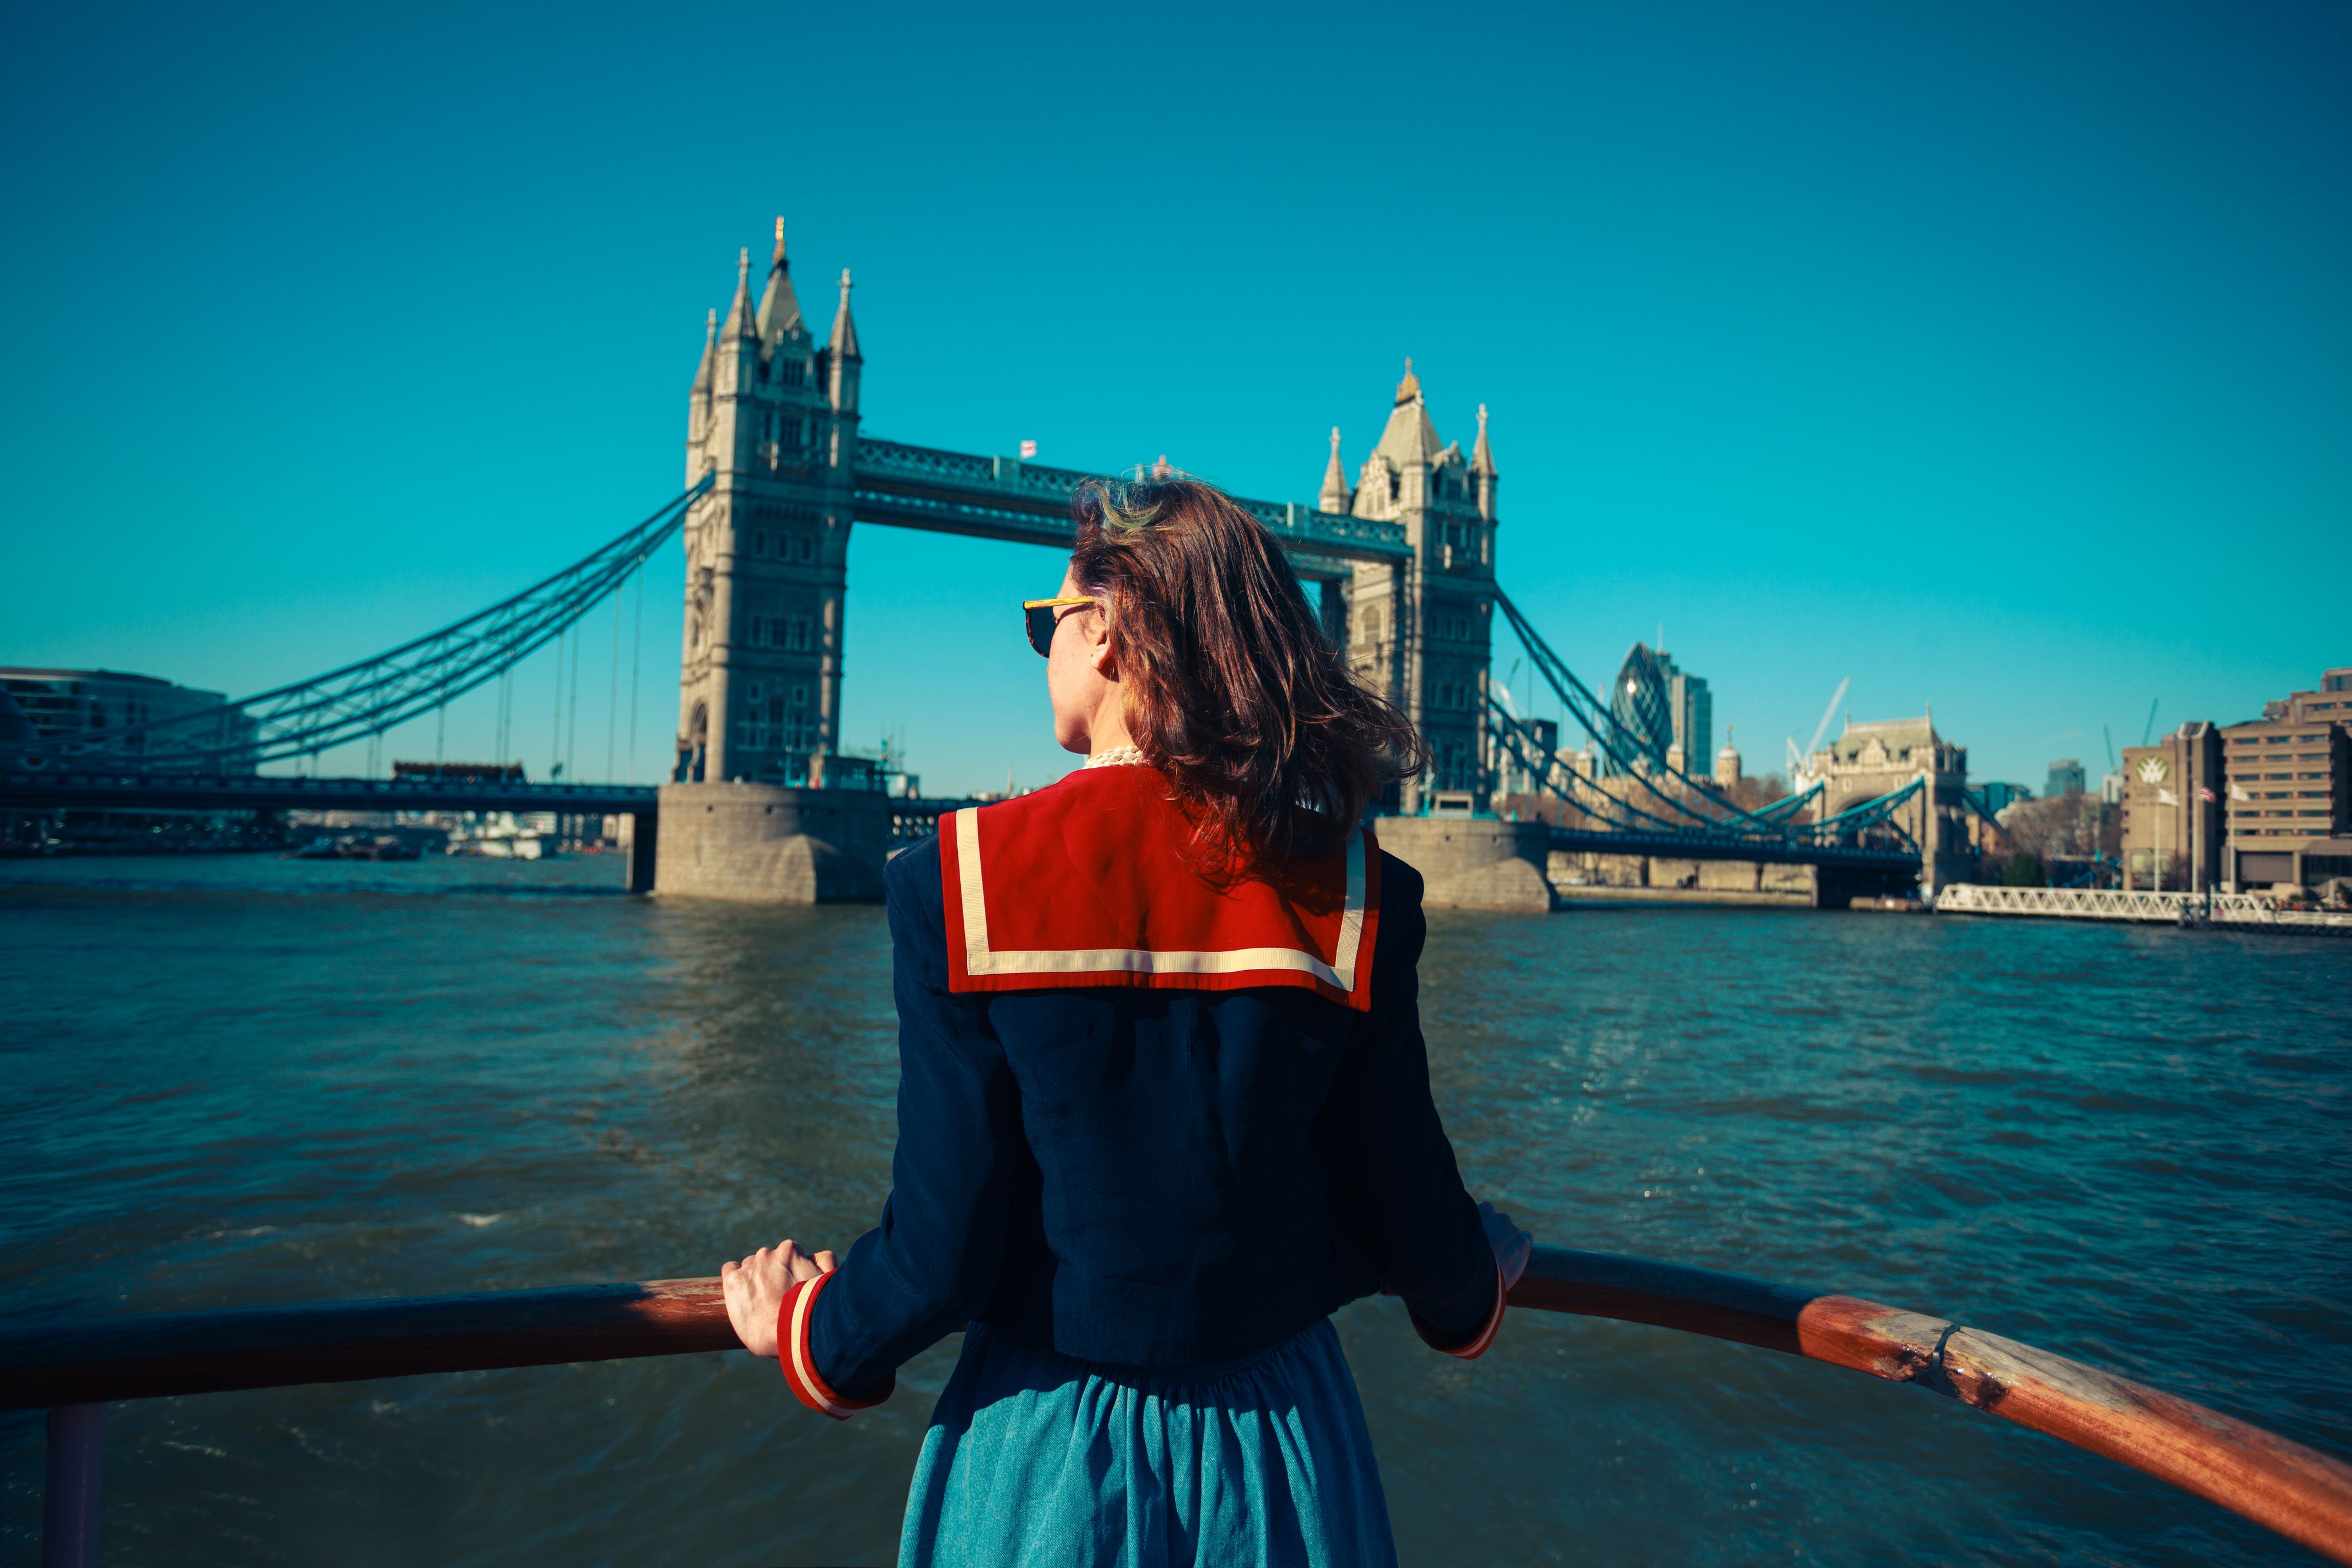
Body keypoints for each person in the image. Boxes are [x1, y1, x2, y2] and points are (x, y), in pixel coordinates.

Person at [720, 472, 1533, 1567]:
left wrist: (808, 1330)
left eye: (1042, 624)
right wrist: (1473, 1285)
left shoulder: (955, 880)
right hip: (1281, 1445)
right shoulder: (1361, 892)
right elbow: (1412, 1202)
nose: (1039, 644)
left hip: (1049, 1445)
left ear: (1103, 633)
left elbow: (940, 1255)